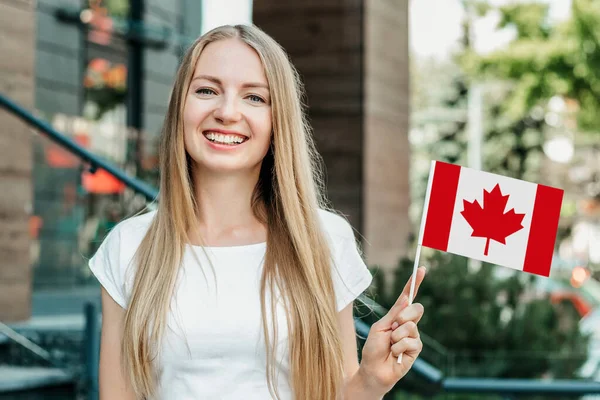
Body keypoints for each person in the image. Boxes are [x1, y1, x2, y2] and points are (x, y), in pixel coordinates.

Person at [88, 24, 426, 400]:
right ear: (179, 106)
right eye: (206, 90)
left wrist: (370, 382)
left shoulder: (323, 239)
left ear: (277, 120)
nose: (227, 112)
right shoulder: (128, 246)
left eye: (254, 97)